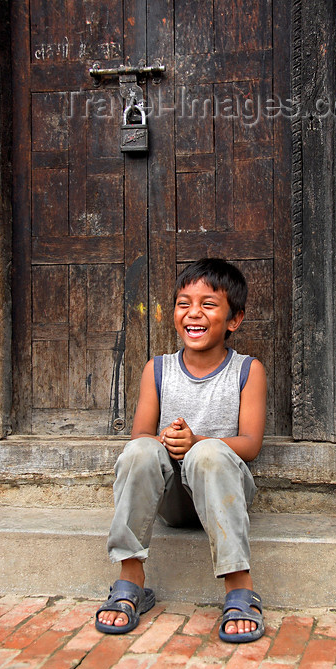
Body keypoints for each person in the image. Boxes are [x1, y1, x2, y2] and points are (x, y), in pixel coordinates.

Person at [95, 258, 267, 643]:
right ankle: (131, 579)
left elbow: (251, 445)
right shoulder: (157, 370)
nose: (193, 313)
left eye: (208, 304)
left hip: (224, 493)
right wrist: (165, 441)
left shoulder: (247, 370)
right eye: (183, 303)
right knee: (140, 450)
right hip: (172, 501)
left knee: (208, 455)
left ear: (234, 319)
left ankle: (239, 587)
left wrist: (197, 443)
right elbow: (140, 435)